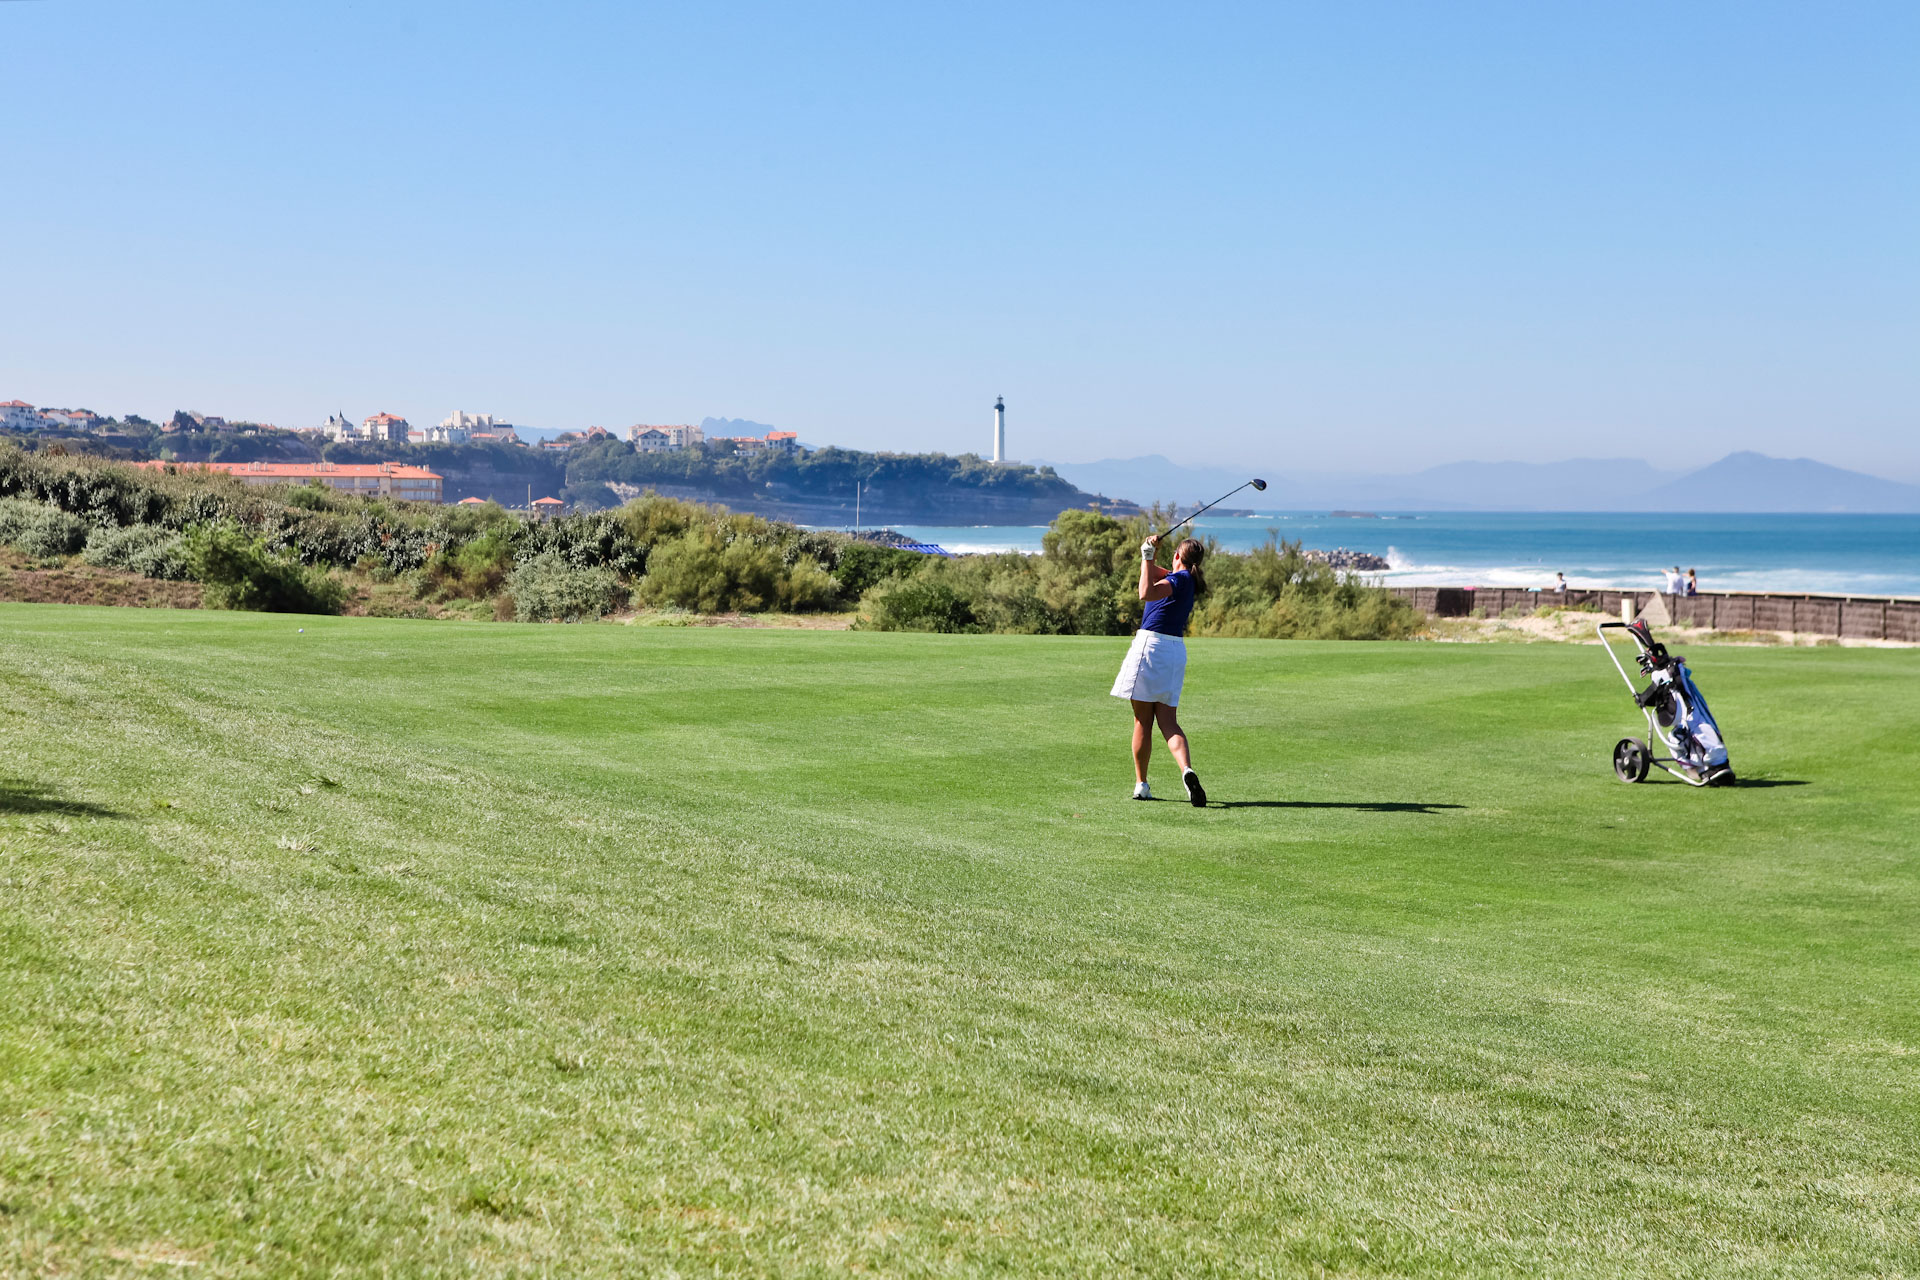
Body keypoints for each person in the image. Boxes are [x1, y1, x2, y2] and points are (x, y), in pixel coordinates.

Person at [1110, 534, 1208, 806]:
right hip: (1174, 652)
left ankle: (1141, 784)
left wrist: (1147, 555)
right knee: (1168, 722)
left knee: (1143, 721)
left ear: (1178, 556)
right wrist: (1150, 553)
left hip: (1151, 647)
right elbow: (1154, 573)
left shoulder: (1177, 580)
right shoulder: (1187, 579)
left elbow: (1145, 592)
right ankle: (1187, 770)